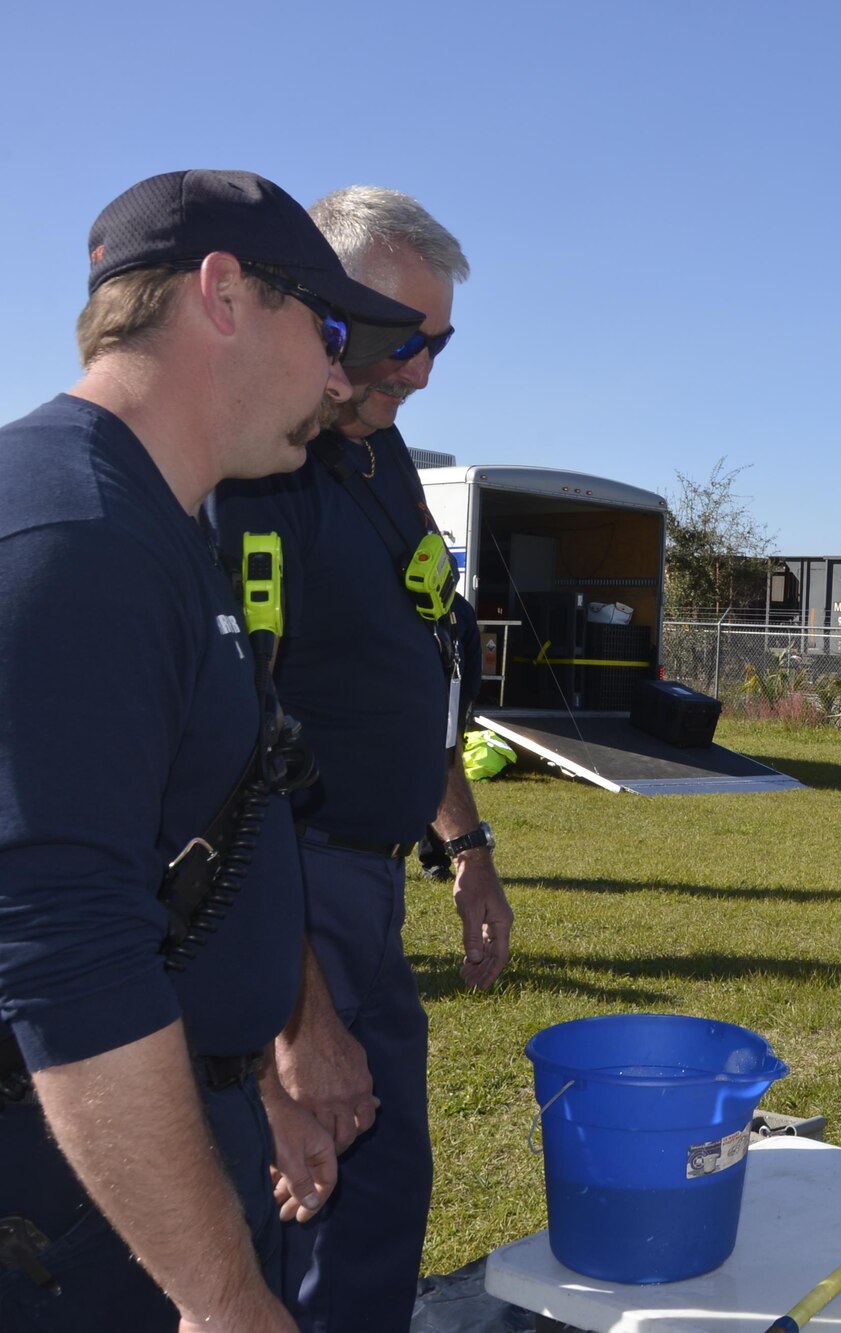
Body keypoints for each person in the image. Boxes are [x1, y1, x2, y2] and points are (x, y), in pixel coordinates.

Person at [0, 170, 421, 1330]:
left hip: (161, 1138)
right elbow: (67, 959)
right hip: (67, 1208)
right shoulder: (73, 539)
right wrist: (224, 1292)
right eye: (327, 330)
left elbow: (194, 843)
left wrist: (244, 1082)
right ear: (224, 294)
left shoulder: (154, 520)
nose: (342, 376)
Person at [210, 186, 512, 1332]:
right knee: (310, 1200)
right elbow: (224, 756)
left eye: (438, 343)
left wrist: (467, 844)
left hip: (370, 878)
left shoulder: (378, 461)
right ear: (319, 315)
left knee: (383, 1189)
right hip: (287, 882)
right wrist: (297, 1015)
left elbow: (416, 663)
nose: (422, 369)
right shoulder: (256, 475)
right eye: (401, 339)